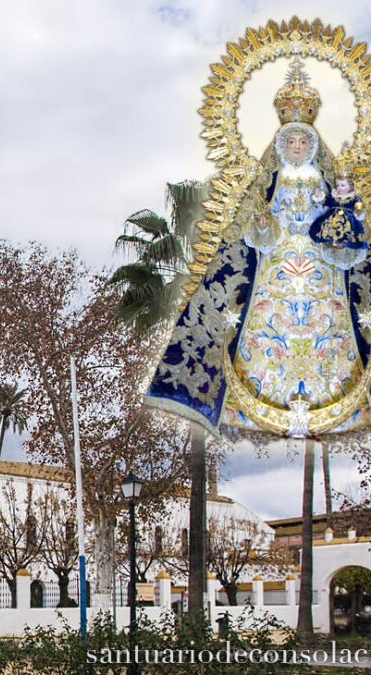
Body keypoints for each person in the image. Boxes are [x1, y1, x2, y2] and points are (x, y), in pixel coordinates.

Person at [148, 59, 371, 439]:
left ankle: (340, 396)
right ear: (283, 146)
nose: (297, 147)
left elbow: (341, 220)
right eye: (292, 142)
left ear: (312, 146)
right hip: (278, 264)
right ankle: (254, 395)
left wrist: (335, 223)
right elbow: (255, 226)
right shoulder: (268, 183)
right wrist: (265, 226)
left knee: (331, 326)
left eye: (303, 142)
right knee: (266, 327)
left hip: (321, 265)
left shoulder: (328, 180)